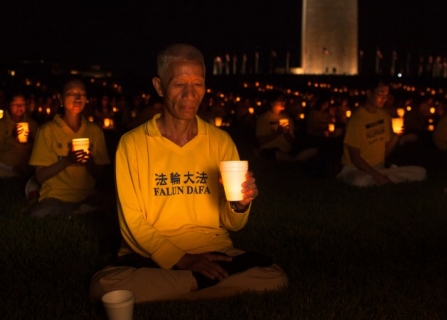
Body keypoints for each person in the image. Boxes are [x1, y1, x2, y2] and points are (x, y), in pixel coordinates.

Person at [89, 44, 288, 302]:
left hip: (213, 250)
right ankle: (208, 286)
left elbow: (233, 224)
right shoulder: (133, 143)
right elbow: (133, 223)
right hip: (152, 255)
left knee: (274, 275)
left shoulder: (220, 141)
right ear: (159, 86)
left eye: (198, 84)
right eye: (179, 84)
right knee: (104, 285)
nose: (190, 94)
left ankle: (179, 289)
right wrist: (182, 260)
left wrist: (239, 205)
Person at [28, 78, 112, 217]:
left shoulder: (94, 131)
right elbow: (40, 176)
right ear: (61, 98)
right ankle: (80, 213)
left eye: (82, 94)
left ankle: (75, 212)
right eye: (72, 93)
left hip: (87, 195)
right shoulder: (48, 130)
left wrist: (89, 163)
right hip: (56, 197)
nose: (78, 98)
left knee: (113, 202)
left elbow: (101, 175)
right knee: (39, 212)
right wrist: (67, 160)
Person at [336, 77, 426, 187]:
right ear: (369, 93)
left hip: (378, 167)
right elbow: (355, 159)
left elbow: (385, 153)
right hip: (354, 169)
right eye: (380, 94)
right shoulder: (356, 119)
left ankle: (381, 178)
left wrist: (397, 136)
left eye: (386, 95)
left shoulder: (385, 117)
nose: (384, 98)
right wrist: (380, 177)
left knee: (420, 172)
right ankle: (381, 178)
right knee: (360, 180)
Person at [256, 92, 318, 162]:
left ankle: (293, 159)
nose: (283, 102)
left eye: (284, 100)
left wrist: (287, 134)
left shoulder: (288, 119)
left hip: (286, 150)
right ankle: (295, 160)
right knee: (277, 153)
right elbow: (261, 141)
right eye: (280, 100)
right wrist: (277, 133)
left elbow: (292, 141)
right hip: (269, 149)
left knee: (313, 150)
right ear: (272, 103)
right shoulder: (263, 118)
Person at [0, 92, 38, 178]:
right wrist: (12, 137)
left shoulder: (32, 124)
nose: (19, 107)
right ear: (8, 105)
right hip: (6, 165)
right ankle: (16, 174)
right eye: (15, 104)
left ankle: (19, 174)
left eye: (23, 104)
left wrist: (29, 141)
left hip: (27, 164)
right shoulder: (1, 124)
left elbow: (39, 149)